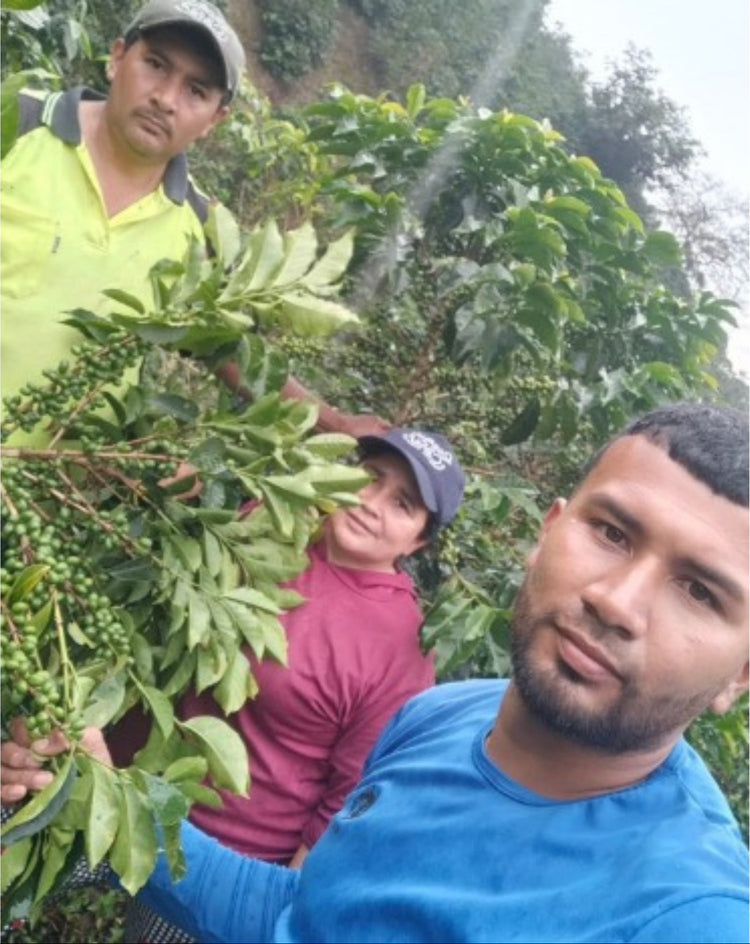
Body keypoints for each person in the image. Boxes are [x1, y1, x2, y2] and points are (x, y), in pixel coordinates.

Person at [4, 402, 748, 943]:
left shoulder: (692, 916)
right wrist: (95, 790)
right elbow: (303, 916)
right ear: (547, 530)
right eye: (612, 533)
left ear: (739, 675)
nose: (617, 602)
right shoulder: (443, 715)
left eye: (700, 591)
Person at [4, 426, 466, 942]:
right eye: (370, 477)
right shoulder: (265, 526)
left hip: (204, 866)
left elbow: (344, 804)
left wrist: (276, 921)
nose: (371, 503)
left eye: (402, 504)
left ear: (420, 540)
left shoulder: (403, 648)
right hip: (104, 777)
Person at [0, 0, 385, 443]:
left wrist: (335, 423)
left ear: (215, 120)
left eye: (196, 91)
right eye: (155, 64)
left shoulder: (202, 231)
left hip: (36, 492)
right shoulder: (17, 122)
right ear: (117, 57)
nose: (165, 99)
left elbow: (226, 347)